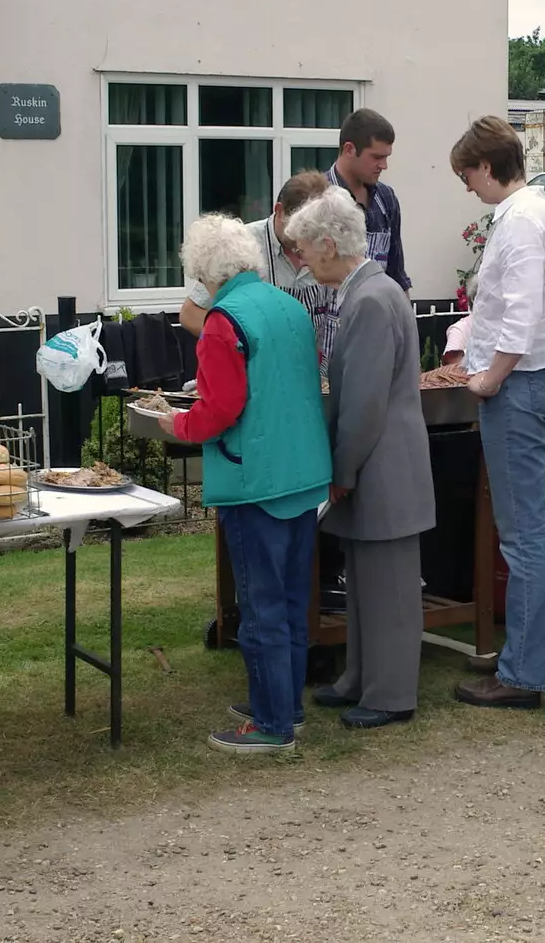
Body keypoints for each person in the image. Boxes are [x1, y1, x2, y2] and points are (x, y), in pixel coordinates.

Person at [163, 213, 332, 753]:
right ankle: (286, 704)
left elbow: (219, 410)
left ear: (202, 270)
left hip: (253, 478)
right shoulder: (289, 306)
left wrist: (175, 424)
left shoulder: (222, 321)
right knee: (291, 599)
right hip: (303, 473)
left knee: (259, 608)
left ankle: (271, 723)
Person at [287, 188, 435, 730]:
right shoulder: (371, 290)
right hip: (379, 462)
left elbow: (365, 405)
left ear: (329, 244)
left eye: (304, 249)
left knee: (389, 587)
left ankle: (391, 693)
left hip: (383, 465)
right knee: (365, 580)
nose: (301, 261)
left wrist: (341, 471)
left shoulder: (371, 298)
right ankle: (360, 677)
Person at [450, 117, 545, 710]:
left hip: (518, 384)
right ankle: (528, 653)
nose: (468, 185)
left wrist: (489, 377)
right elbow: (505, 309)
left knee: (523, 535)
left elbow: (519, 314)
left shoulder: (520, 220)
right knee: (528, 532)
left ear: (489, 167)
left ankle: (525, 673)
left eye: (468, 173)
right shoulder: (534, 213)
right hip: (529, 378)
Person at [179, 171, 336, 367]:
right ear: (279, 210)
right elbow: (190, 313)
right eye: (301, 227)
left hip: (311, 375)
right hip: (255, 375)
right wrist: (243, 344)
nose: (307, 239)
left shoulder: (327, 245)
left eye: (314, 231)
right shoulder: (240, 244)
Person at [327, 108, 409, 292]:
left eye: (386, 157)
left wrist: (404, 319)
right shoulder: (316, 196)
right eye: (377, 157)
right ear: (349, 149)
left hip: (375, 317)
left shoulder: (386, 199)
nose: (384, 166)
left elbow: (397, 276)